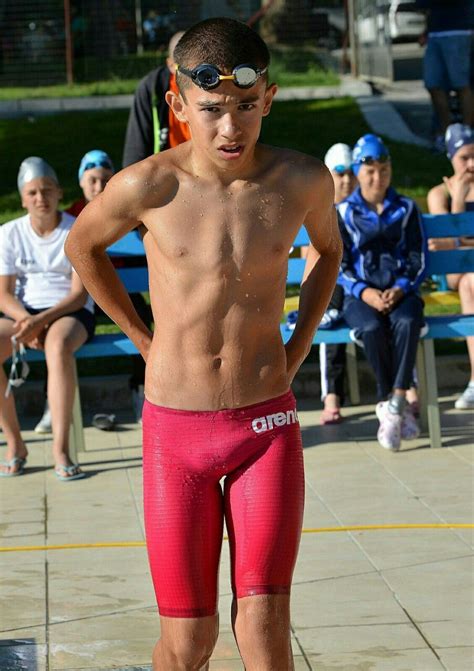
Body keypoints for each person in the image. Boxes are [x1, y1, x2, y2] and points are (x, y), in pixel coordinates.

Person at [65, 17, 342, 670]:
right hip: (176, 432)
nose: (230, 127)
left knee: (266, 635)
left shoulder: (301, 181)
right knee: (190, 642)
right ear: (178, 104)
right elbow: (82, 245)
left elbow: (329, 252)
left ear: (268, 98)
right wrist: (140, 336)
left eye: (247, 107)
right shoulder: (148, 185)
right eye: (212, 109)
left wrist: (299, 346)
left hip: (267, 425)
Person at [0, 157, 95, 479]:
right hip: (23, 313)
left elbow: (78, 295)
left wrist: (40, 322)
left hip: (67, 311)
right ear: (23, 198)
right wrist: (26, 319)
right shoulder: (9, 233)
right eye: (32, 193)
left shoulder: (76, 229)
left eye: (46, 191)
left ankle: (61, 450)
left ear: (58, 192)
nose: (40, 198)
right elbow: (4, 294)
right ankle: (15, 443)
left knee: (57, 346)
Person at [337, 134, 426, 452]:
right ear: (359, 173)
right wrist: (367, 293)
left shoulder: (405, 209)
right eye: (371, 172)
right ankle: (394, 405)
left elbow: (418, 259)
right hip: (362, 296)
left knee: (407, 321)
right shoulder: (344, 212)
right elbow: (340, 265)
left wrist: (401, 289)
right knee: (372, 328)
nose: (378, 178)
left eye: (384, 171)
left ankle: (396, 399)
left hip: (401, 293)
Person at [33, 150, 115, 434]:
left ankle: (140, 388)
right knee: (56, 341)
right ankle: (50, 403)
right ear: (81, 182)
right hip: (80, 293)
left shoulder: (124, 212)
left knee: (141, 318)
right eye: (92, 179)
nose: (98, 186)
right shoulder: (69, 219)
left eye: (105, 180)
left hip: (116, 291)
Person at [427, 123, 474, 409]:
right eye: (464, 157)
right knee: (471, 282)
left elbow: (453, 242)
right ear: (451, 157)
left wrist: (457, 242)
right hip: (459, 273)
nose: (471, 164)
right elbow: (450, 245)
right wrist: (459, 199)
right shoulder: (439, 194)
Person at [319, 143, 357, 424]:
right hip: (335, 286)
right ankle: (331, 393)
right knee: (327, 304)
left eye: (351, 172)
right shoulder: (321, 212)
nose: (346, 180)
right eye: (339, 173)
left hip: (363, 286)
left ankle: (407, 387)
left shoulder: (366, 210)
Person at [122, 30, 188, 167]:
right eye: (183, 69)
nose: (191, 77)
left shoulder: (212, 85)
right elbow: (135, 153)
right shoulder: (152, 88)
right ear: (170, 65)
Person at [415, 1, 473, 151]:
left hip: (458, 31)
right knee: (433, 84)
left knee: (461, 85)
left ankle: (466, 136)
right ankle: (449, 135)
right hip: (434, 33)